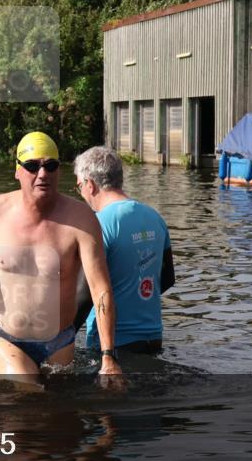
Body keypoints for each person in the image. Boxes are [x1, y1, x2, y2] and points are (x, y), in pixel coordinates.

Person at [0, 132, 123, 385]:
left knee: (56, 416)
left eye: (50, 165)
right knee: (26, 394)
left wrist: (108, 357)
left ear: (59, 171)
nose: (42, 174)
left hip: (60, 340)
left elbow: (100, 289)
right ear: (18, 171)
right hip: (5, 335)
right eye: (32, 166)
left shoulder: (82, 220)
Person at [73, 146, 175, 357]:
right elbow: (167, 279)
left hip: (111, 344)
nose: (80, 193)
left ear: (90, 185)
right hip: (153, 339)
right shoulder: (155, 217)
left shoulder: (98, 225)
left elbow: (84, 297)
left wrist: (59, 340)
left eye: (79, 186)